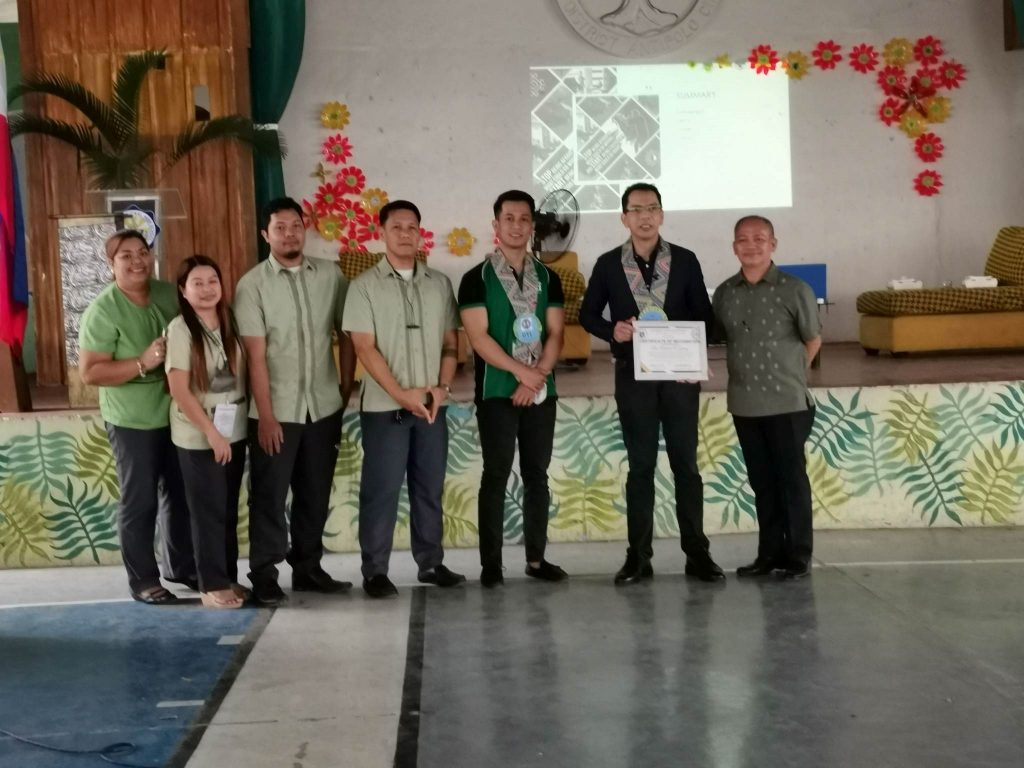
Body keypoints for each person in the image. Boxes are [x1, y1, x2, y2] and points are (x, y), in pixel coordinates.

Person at [579, 182, 724, 584]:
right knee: (640, 468)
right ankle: (638, 557)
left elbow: (706, 318)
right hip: (633, 378)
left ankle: (697, 554)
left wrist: (691, 351)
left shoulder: (686, 260)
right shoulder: (609, 264)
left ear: (661, 215)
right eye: (636, 209)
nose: (645, 216)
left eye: (652, 208)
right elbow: (588, 315)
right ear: (623, 217)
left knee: (686, 467)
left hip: (679, 378)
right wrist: (615, 331)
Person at [234, 197, 356, 605]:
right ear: (265, 235)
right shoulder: (251, 285)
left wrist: (344, 386)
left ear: (306, 229)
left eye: (295, 226)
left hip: (322, 405)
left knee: (314, 492)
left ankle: (308, 569)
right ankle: (264, 574)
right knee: (269, 495)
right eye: (280, 228)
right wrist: (266, 416)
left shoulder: (330, 276)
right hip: (276, 411)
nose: (289, 234)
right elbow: (255, 356)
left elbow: (347, 332)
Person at [342, 200, 466, 598]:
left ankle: (430, 562)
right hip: (384, 410)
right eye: (397, 227)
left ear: (420, 233)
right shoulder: (363, 287)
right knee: (382, 490)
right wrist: (402, 395)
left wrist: (441, 389)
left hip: (432, 406)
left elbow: (451, 343)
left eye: (413, 227)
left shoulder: (439, 284)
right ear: (381, 233)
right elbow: (364, 348)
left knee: (428, 487)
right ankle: (375, 570)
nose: (405, 234)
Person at [78, 229, 196, 605]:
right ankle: (143, 579)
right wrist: (142, 363)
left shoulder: (168, 294)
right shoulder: (103, 310)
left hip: (177, 413)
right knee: (140, 499)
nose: (136, 261)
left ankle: (183, 568)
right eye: (125, 255)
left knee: (180, 494)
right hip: (132, 420)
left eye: (142, 252)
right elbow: (91, 373)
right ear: (111, 265)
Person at [458, 189, 568, 587]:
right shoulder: (476, 278)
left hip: (541, 392)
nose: (517, 226)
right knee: (496, 475)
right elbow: (479, 339)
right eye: (509, 218)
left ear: (532, 225)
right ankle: (491, 565)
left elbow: (556, 332)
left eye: (524, 219)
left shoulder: (549, 277)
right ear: (496, 225)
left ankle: (537, 560)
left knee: (537, 475)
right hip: (497, 393)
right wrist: (522, 374)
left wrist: (538, 374)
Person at [712, 215, 821, 579]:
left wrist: (790, 375)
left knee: (791, 481)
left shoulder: (795, 289)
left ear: (773, 244)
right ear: (734, 248)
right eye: (743, 239)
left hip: (788, 404)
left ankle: (798, 555)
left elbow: (812, 339)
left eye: (759, 238)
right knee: (762, 482)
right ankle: (769, 553)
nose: (751, 245)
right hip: (744, 404)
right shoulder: (725, 292)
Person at [166, 255, 249, 609]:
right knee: (207, 509)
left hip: (234, 425)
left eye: (212, 280)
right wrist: (212, 434)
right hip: (199, 433)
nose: (206, 288)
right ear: (184, 291)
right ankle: (210, 584)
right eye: (196, 283)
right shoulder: (181, 329)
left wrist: (226, 433)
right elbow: (179, 389)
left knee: (228, 506)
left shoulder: (229, 320)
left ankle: (227, 575)